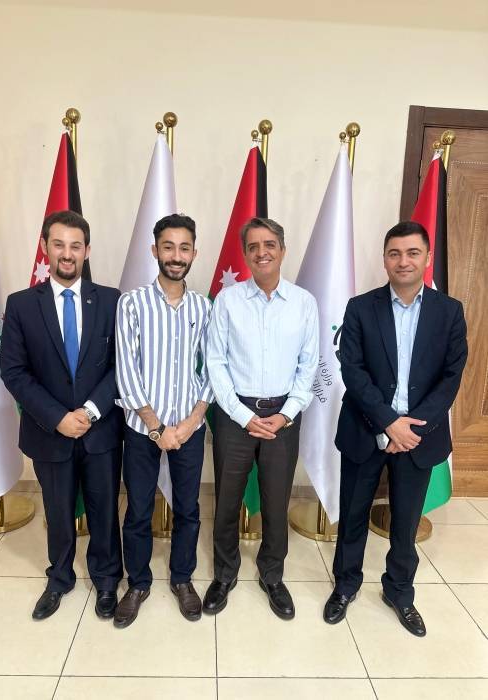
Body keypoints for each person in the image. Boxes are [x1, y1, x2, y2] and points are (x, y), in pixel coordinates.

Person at [323, 220, 468, 637]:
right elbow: (352, 370)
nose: (403, 261)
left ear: (427, 258)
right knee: (353, 516)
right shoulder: (360, 307)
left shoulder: (449, 311)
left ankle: (400, 593)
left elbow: (452, 376)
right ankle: (345, 585)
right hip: (365, 428)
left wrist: (410, 428)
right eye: (394, 253)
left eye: (412, 253)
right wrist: (389, 422)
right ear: (385, 259)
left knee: (405, 523)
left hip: (419, 435)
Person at [0, 210, 123, 621]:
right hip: (48, 431)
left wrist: (89, 411)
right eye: (58, 244)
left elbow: (121, 366)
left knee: (104, 509)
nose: (67, 254)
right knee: (57, 511)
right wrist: (58, 418)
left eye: (75, 246)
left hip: (100, 430)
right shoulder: (21, 305)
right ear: (45, 247)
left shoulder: (111, 300)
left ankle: (106, 579)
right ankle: (60, 578)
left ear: (87, 251)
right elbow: (14, 372)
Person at [203, 217, 319, 620]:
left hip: (282, 416)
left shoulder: (304, 303)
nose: (261, 252)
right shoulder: (228, 300)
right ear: (245, 254)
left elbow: (309, 366)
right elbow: (215, 362)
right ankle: (224, 574)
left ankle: (272, 575)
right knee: (227, 501)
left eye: (269, 244)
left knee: (275, 499)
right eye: (253, 246)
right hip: (235, 414)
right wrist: (240, 414)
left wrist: (286, 414)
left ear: (282, 250)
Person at [113, 213, 213, 628]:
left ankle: (182, 579)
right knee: (138, 509)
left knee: (188, 509)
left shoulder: (204, 307)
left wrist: (189, 423)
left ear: (194, 253)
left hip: (189, 428)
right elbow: (126, 369)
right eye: (168, 247)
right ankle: (138, 583)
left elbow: (212, 368)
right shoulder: (131, 303)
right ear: (155, 250)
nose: (176, 255)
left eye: (184, 248)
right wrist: (156, 428)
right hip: (143, 430)